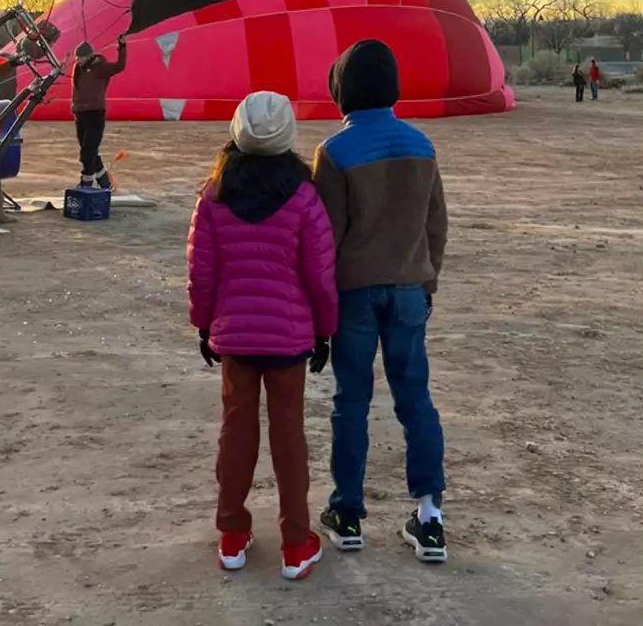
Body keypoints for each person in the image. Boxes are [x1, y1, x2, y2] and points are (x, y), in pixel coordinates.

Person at [186, 91, 338, 581]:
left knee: (237, 430)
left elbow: (201, 273)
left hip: (236, 338)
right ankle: (296, 543)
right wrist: (325, 331)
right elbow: (320, 274)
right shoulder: (304, 196)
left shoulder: (213, 195)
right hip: (290, 337)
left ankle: (231, 532)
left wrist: (205, 323)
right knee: (288, 434)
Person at [311, 40, 451, 563]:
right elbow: (436, 226)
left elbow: (324, 240)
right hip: (411, 290)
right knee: (416, 401)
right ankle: (430, 517)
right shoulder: (422, 146)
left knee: (351, 402)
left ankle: (347, 513)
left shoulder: (335, 152)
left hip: (353, 297)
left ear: (341, 89)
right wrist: (427, 282)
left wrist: (320, 312)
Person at [70, 35, 128, 188]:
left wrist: (122, 47)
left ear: (88, 57)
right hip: (80, 114)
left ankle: (86, 183)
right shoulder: (78, 68)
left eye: (81, 58)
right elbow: (76, 89)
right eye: (77, 58)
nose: (78, 60)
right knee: (89, 151)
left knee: (87, 153)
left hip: (95, 114)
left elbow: (120, 66)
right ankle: (105, 183)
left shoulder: (101, 67)